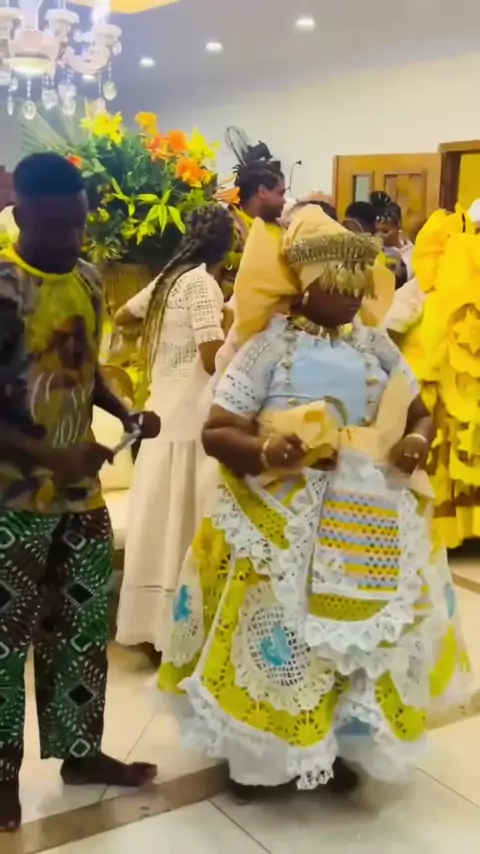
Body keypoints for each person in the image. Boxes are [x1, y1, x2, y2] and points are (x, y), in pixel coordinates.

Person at [157, 204, 470, 796]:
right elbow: (218, 430)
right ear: (306, 284)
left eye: (358, 287)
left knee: (357, 639)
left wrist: (414, 439)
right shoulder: (268, 347)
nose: (352, 300)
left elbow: (420, 413)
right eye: (338, 287)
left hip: (365, 508)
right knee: (282, 627)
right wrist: (267, 450)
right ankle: (263, 755)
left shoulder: (375, 346)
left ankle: (337, 742)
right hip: (279, 509)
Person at [0, 153, 161, 832]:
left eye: (78, 224)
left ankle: (81, 753)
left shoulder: (89, 280)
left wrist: (126, 412)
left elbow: (87, 370)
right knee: (4, 647)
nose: (70, 239)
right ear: (21, 214)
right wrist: (52, 455)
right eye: (55, 225)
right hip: (12, 504)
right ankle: (0, 777)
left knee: (82, 634)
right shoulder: (6, 288)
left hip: (81, 499)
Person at [115, 205, 233, 655]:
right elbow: (212, 357)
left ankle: (152, 628)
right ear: (227, 246)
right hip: (189, 418)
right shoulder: (201, 283)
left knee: (159, 525)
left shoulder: (168, 279)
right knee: (183, 527)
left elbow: (123, 315)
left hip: (162, 414)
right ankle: (179, 632)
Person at [387, 203, 480, 548]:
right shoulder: (432, 280)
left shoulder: (430, 282)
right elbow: (390, 325)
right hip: (439, 388)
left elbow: (389, 324)